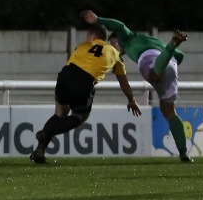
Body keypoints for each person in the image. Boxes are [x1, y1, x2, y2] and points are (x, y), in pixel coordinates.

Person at [81, 10, 192, 163]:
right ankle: (183, 153)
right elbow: (181, 56)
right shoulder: (148, 40)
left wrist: (98, 19)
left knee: (153, 74)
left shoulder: (127, 38)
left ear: (117, 40)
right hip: (170, 63)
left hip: (153, 60)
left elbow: (119, 26)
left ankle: (172, 44)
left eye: (113, 44)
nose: (113, 48)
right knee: (168, 110)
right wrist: (170, 55)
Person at [30, 22, 142, 163]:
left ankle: (40, 150)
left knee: (59, 114)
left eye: (88, 34)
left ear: (94, 36)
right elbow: (123, 82)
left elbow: (73, 62)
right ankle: (46, 133)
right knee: (80, 116)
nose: (86, 36)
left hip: (65, 75)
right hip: (84, 80)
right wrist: (131, 100)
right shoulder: (115, 54)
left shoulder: (82, 47)